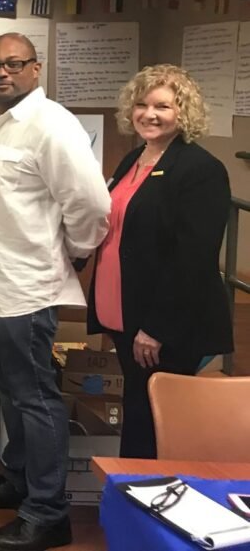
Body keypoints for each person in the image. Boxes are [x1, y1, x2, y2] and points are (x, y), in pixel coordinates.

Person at [0, 33, 110, 551]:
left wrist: (76, 253)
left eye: (14, 63)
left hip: (23, 290)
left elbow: (91, 204)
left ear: (36, 68)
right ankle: (18, 479)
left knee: (35, 397)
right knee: (10, 392)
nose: (1, 72)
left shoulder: (51, 125)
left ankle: (48, 513)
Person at [87, 64, 233, 460]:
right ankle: (131, 487)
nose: (149, 114)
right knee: (137, 410)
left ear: (183, 113)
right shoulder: (134, 158)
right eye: (142, 104)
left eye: (163, 106)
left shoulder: (201, 170)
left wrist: (156, 328)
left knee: (154, 421)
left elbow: (194, 257)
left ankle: (150, 489)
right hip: (126, 315)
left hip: (162, 326)